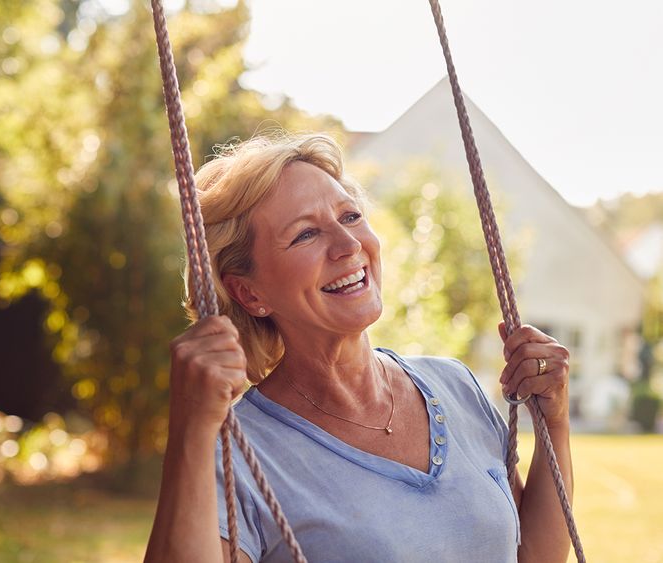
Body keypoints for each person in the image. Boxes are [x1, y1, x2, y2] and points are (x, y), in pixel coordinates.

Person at [144, 133, 574, 563]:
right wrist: (191, 426)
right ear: (249, 292)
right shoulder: (236, 451)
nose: (349, 245)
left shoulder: (456, 386)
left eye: (349, 216)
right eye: (305, 234)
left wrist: (553, 422)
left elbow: (534, 557)